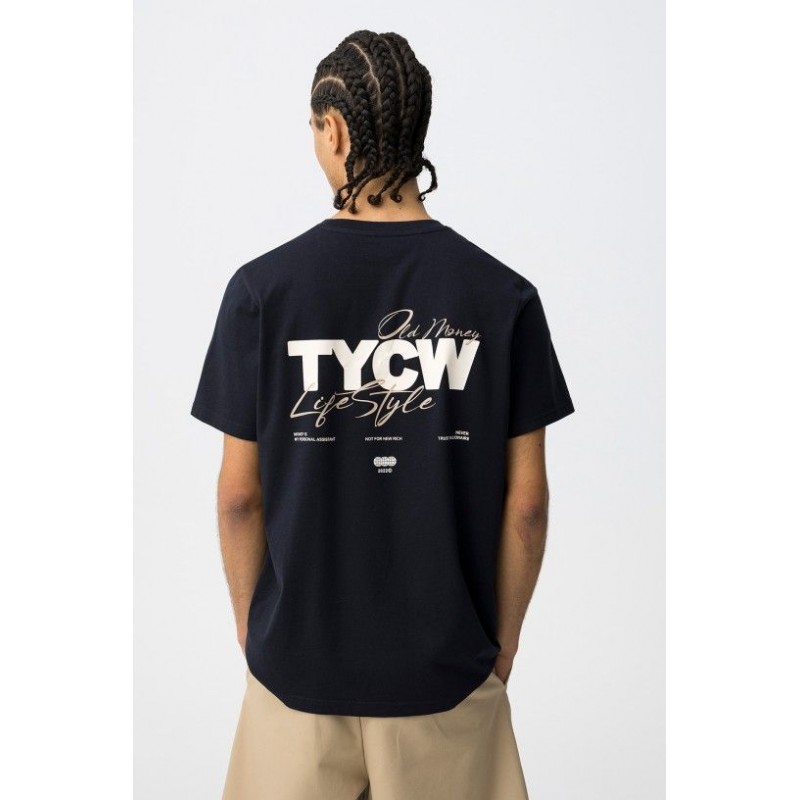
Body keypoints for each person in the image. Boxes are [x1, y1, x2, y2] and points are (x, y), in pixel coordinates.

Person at [190, 29, 575, 800]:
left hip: (296, 675)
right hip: (446, 678)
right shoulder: (502, 297)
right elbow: (527, 506)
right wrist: (498, 652)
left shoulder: (261, 293)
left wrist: (257, 636)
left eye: (313, 130)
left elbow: (238, 497)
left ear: (333, 130)